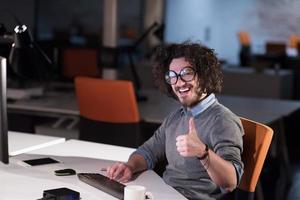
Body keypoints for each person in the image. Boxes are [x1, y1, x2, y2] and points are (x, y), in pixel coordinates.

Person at [106, 42, 244, 200]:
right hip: (162, 194)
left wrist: (203, 153)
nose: (179, 83)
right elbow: (148, 152)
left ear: (205, 75)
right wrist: (130, 166)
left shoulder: (223, 120)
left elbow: (230, 181)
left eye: (186, 73)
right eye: (172, 76)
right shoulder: (176, 117)